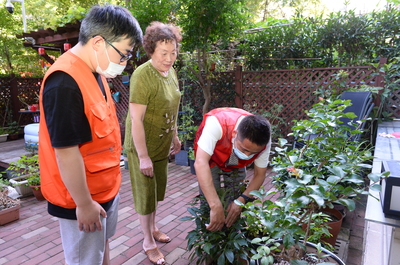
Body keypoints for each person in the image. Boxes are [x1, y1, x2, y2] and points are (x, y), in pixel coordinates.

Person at [38, 5, 143, 265]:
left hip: (104, 189)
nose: (124, 62)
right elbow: (65, 152)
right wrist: (83, 204)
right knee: (85, 260)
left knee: (100, 249)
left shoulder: (95, 71)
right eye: (124, 54)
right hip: (81, 199)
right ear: (98, 42)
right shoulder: (64, 82)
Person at [124, 21, 182, 265]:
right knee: (145, 195)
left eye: (173, 53)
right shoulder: (142, 75)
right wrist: (143, 156)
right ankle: (148, 241)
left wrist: (176, 134)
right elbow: (136, 119)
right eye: (163, 53)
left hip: (162, 144)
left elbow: (173, 106)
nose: (169, 58)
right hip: (142, 146)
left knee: (156, 192)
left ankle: (154, 227)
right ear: (151, 51)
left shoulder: (171, 72)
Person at [193, 107, 271, 231]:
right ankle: (210, 234)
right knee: (212, 196)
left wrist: (241, 200)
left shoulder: (264, 140)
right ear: (235, 134)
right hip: (212, 156)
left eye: (252, 152)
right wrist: (215, 205)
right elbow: (201, 162)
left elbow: (260, 174)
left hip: (233, 155)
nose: (246, 156)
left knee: (235, 193)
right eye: (244, 149)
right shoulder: (216, 124)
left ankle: (232, 232)